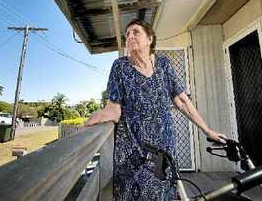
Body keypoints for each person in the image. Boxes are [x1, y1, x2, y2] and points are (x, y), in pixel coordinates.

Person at [85, 19, 226, 200]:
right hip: (134, 148)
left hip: (164, 145)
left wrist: (207, 130)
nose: (130, 37)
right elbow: (114, 108)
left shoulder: (163, 64)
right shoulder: (120, 66)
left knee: (164, 192)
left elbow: (182, 101)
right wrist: (94, 120)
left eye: (135, 32)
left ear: (150, 39)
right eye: (127, 34)